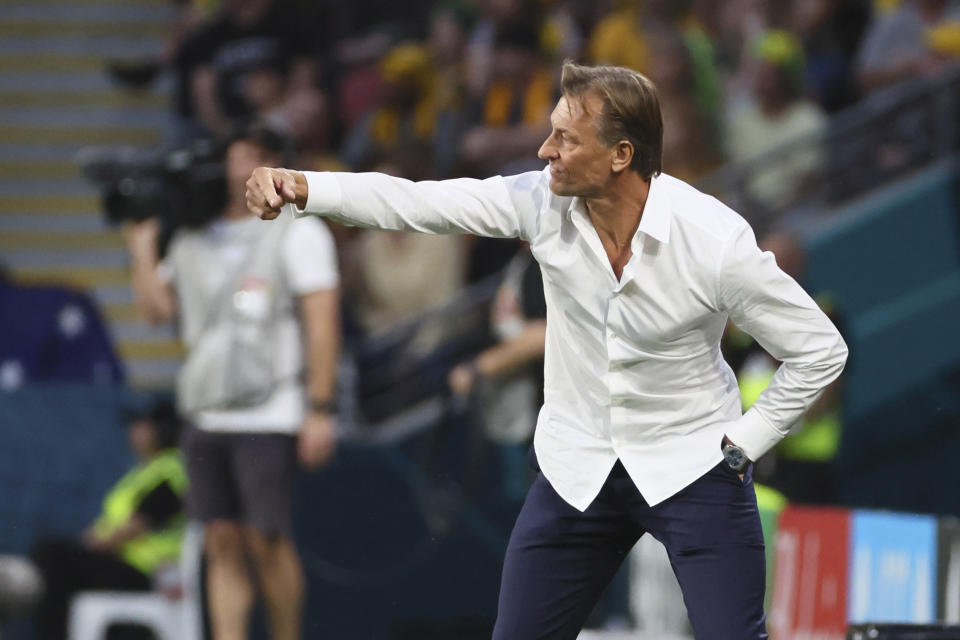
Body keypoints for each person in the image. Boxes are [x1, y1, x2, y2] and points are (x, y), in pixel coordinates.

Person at [246, 61, 848, 639]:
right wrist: (305, 186)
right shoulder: (538, 200)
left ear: (621, 155)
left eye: (565, 137)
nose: (544, 151)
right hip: (577, 465)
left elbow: (820, 350)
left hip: (693, 464)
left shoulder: (714, 241)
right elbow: (420, 202)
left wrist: (747, 443)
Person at [125, 124, 340, 640]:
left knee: (266, 537)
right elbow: (157, 310)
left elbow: (321, 321)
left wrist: (320, 407)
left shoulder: (299, 230)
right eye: (236, 156)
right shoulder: (194, 235)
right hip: (206, 409)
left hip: (270, 407)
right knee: (220, 539)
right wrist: (139, 244)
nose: (243, 167)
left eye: (256, 156)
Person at [28, 397, 187, 640]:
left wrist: (93, 544)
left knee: (51, 555)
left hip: (148, 572)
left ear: (163, 429)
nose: (133, 431)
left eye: (142, 424)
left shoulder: (172, 469)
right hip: (125, 564)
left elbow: (137, 524)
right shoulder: (145, 470)